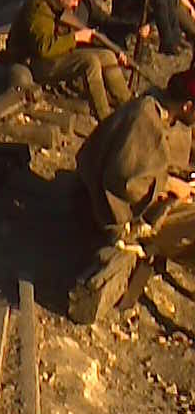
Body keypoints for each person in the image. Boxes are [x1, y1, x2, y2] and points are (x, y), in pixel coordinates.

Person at [76, 67, 195, 268]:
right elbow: (126, 182)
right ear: (188, 106)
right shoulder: (146, 117)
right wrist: (171, 186)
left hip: (130, 200)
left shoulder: (162, 110)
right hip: (108, 212)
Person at [5, 0, 132, 121]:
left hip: (51, 55)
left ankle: (128, 104)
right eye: (75, 0)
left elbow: (75, 37)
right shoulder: (39, 11)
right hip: (34, 62)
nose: (76, 4)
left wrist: (115, 51)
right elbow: (44, 49)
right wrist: (76, 37)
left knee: (107, 56)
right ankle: (105, 118)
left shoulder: (55, 7)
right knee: (90, 62)